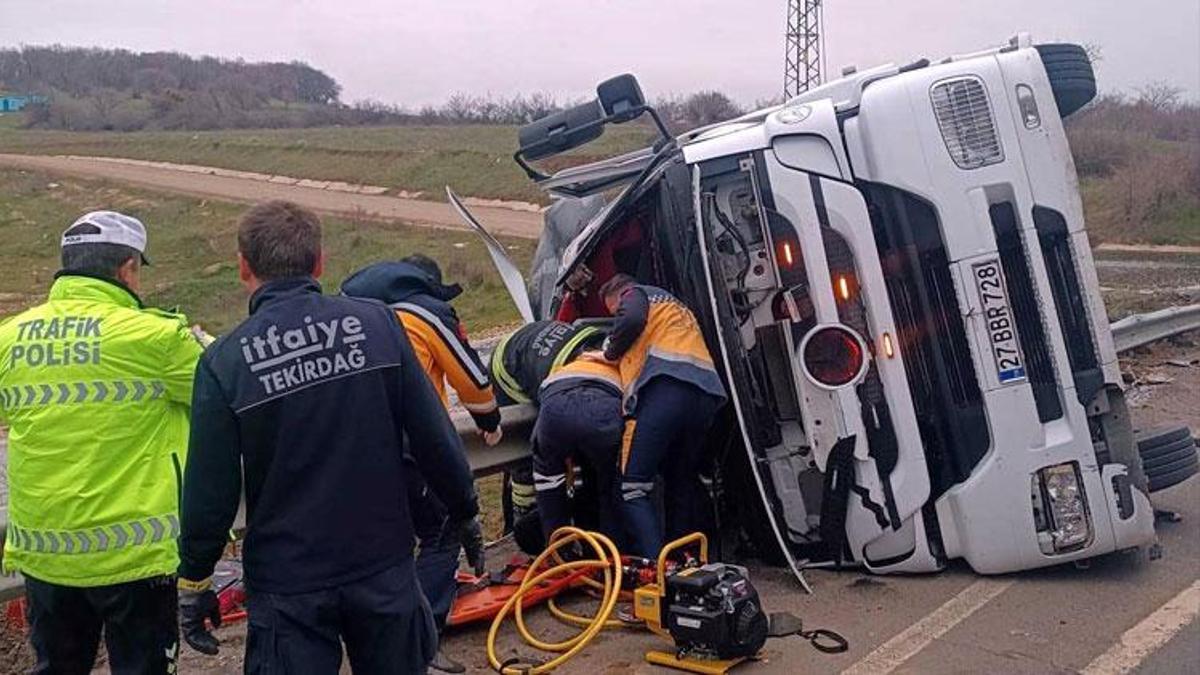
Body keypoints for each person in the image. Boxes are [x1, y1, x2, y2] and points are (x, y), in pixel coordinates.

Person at [176, 201, 483, 674]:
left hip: (289, 581)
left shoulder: (226, 362)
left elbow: (208, 490)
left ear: (243, 266)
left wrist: (195, 578)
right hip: (383, 563)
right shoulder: (379, 324)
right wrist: (464, 509)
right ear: (319, 262)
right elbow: (434, 437)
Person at [0, 211, 204, 674]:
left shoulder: (8, 338)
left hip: (46, 554)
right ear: (127, 268)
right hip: (135, 555)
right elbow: (222, 392)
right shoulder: (157, 337)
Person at [341, 255, 500, 674]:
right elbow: (472, 379)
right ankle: (420, 648)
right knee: (441, 534)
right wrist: (490, 421)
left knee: (386, 545)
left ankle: (378, 643)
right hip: (411, 445)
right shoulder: (425, 313)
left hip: (352, 450)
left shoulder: (351, 315)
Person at [591, 274, 726, 558]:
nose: (617, 318)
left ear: (622, 294)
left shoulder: (638, 294)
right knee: (679, 479)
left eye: (614, 312)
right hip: (706, 395)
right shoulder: (673, 306)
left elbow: (631, 320)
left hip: (667, 388)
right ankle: (684, 560)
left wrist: (610, 352)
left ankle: (657, 569)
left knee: (633, 488)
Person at [488, 319, 606, 544]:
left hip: (547, 353)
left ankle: (576, 520)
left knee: (578, 462)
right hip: (508, 368)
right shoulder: (565, 390)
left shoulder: (597, 359)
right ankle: (523, 521)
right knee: (532, 458)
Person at [531, 356, 625, 546]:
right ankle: (613, 557)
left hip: (554, 410)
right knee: (612, 487)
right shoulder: (624, 366)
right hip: (602, 409)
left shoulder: (568, 366)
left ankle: (558, 552)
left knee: (549, 485)